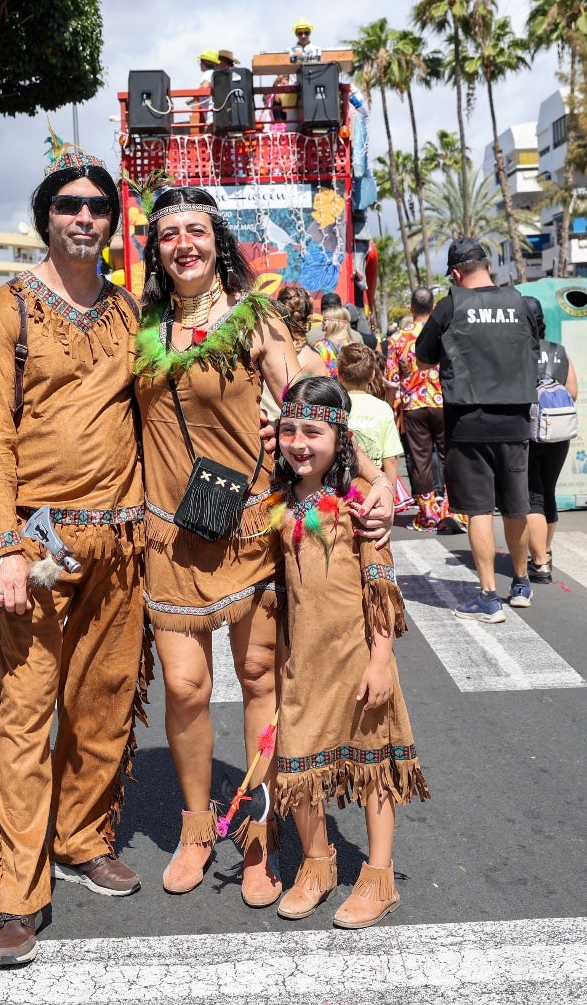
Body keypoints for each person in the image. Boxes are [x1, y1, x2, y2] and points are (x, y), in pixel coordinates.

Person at [134, 184, 393, 910]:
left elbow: (311, 400)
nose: (183, 243)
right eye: (168, 234)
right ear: (155, 249)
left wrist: (374, 479)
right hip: (171, 532)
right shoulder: (141, 322)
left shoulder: (256, 318)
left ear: (219, 241)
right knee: (185, 687)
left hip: (249, 523)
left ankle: (258, 829)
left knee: (256, 677)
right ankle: (193, 829)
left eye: (196, 230)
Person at [0, 147, 149, 967]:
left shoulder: (130, 312)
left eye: (98, 207)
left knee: (106, 701)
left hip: (124, 536)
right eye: (70, 204)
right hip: (37, 547)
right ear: (46, 217)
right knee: (27, 715)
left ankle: (81, 837)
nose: (84, 216)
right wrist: (1, 547)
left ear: (111, 222)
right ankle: (15, 894)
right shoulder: (4, 311)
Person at [269, 375, 428, 928]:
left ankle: (379, 877)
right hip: (303, 662)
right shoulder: (281, 501)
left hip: (360, 659)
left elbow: (380, 588)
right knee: (299, 761)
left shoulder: (361, 504)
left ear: (340, 437)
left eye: (313, 431)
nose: (299, 443)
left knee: (373, 767)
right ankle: (317, 864)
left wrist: (382, 660)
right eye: (289, 430)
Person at [415, 239, 539, 619]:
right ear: (488, 266)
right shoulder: (522, 303)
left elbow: (423, 358)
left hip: (469, 423)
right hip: (515, 419)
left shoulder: (451, 306)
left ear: (455, 273)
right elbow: (533, 346)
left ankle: (487, 597)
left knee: (481, 510)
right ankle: (521, 584)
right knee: (516, 505)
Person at [385, 286, 451, 531]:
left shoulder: (397, 339)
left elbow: (391, 380)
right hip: (443, 402)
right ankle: (451, 510)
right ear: (433, 308)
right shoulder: (444, 333)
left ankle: (427, 515)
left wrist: (389, 407)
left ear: (411, 308)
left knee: (420, 460)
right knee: (448, 455)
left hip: (412, 405)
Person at [526, 302, 578, 585]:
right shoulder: (560, 351)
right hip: (558, 433)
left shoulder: (518, 351)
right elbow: (573, 392)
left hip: (529, 433)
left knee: (531, 496)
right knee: (549, 492)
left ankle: (539, 564)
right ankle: (545, 550)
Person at [339, 343, 402, 486]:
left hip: (339, 483)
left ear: (339, 375)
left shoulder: (335, 406)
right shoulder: (383, 408)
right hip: (374, 484)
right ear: (373, 375)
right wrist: (389, 494)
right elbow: (390, 459)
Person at [312, 304, 356, 377]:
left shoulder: (321, 346)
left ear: (332, 324)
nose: (322, 325)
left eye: (324, 322)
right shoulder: (354, 346)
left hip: (329, 387)